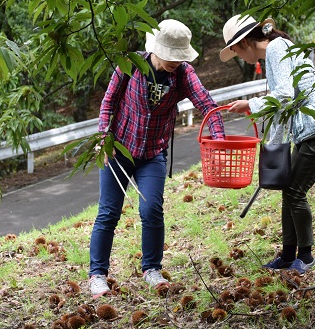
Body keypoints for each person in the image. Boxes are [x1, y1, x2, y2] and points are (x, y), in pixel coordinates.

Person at [88, 19, 226, 298]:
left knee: (151, 210)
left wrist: (219, 138)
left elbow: (206, 104)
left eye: (180, 56)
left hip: (153, 154)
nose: (176, 61)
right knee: (109, 213)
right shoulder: (130, 66)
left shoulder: (183, 74)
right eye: (171, 55)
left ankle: (151, 268)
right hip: (120, 151)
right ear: (155, 49)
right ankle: (97, 275)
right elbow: (108, 102)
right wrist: (103, 137)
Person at [221, 14, 315, 275]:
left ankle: (307, 256)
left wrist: (251, 105)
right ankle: (289, 255)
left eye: (235, 51)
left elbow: (285, 96)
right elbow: (282, 107)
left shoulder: (277, 49)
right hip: (309, 129)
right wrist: (274, 150)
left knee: (294, 192)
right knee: (288, 191)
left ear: (244, 43)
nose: (238, 57)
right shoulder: (274, 53)